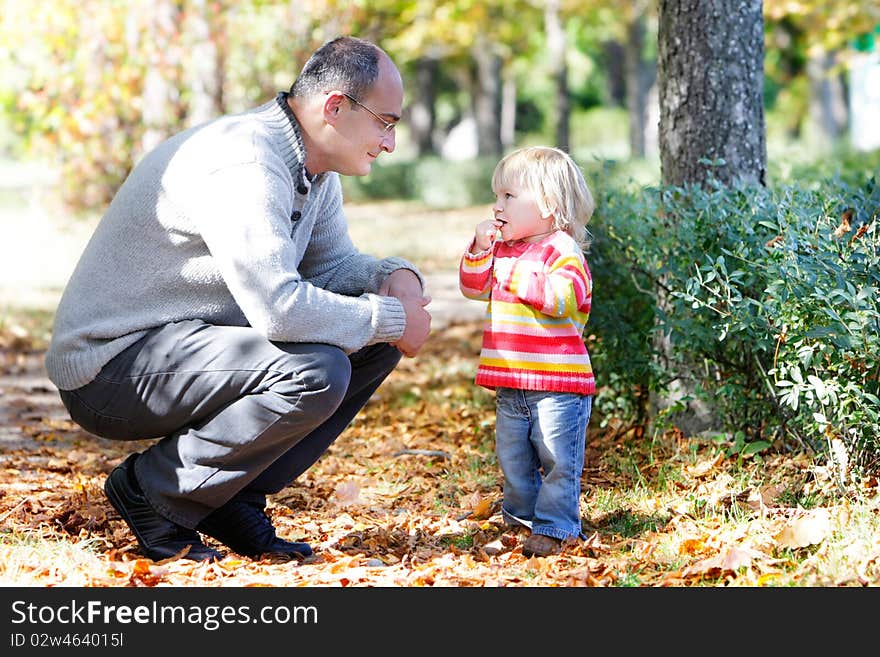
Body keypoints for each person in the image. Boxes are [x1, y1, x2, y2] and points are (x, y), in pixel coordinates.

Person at [44, 36, 432, 562]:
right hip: (110, 366)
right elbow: (279, 306)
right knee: (317, 369)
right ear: (336, 108)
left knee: (369, 340)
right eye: (386, 121)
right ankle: (154, 490)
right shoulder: (247, 161)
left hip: (185, 349)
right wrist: (389, 317)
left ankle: (227, 495)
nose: (389, 142)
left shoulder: (312, 167)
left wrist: (394, 276)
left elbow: (331, 267)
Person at [459, 146, 595, 558]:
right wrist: (481, 250)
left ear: (549, 205)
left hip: (558, 383)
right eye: (496, 197)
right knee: (514, 458)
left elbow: (564, 297)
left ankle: (556, 526)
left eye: (508, 197)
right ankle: (520, 519)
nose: (497, 206)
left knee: (557, 459)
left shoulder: (562, 249)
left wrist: (511, 272)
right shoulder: (502, 251)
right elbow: (471, 286)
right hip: (510, 379)